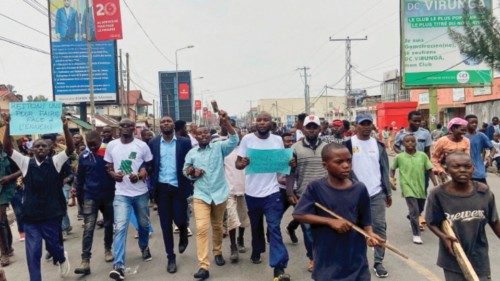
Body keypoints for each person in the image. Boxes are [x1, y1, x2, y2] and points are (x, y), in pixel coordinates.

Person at [293, 143, 383, 281]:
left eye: (348, 160)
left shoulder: (359, 188)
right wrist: (330, 221)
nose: (346, 165)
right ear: (325, 165)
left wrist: (369, 234)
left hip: (356, 261)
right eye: (339, 162)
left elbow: (365, 220)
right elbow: (298, 214)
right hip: (327, 262)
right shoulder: (315, 187)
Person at [3, 114, 73, 281]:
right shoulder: (25, 163)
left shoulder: (56, 162)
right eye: (37, 146)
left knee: (53, 247)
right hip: (31, 217)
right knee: (33, 253)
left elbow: (70, 149)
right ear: (32, 150)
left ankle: (62, 258)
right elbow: (8, 149)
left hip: (50, 215)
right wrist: (8, 126)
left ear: (49, 149)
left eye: (43, 146)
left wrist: (65, 127)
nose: (41, 148)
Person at [425, 152, 500, 281]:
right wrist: (443, 236)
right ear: (446, 169)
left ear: (473, 168)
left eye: (467, 166)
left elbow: (494, 221)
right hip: (453, 256)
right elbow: (431, 222)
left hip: (479, 257)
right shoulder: (438, 194)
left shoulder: (483, 192)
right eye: (456, 166)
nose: (462, 170)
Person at [184, 110, 238, 280]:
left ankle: (217, 251)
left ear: (210, 134)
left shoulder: (219, 147)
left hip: (220, 194)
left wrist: (226, 122)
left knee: (217, 226)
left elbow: (235, 140)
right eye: (200, 134)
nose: (204, 135)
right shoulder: (191, 153)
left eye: (206, 132)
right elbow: (185, 171)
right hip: (201, 196)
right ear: (195, 136)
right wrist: (192, 172)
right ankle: (203, 266)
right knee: (201, 228)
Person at [236, 112, 291, 281]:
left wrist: (289, 163)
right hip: (252, 192)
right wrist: (242, 163)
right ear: (255, 123)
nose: (261, 122)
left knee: (274, 227)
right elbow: (238, 164)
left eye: (265, 120)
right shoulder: (247, 140)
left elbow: (282, 164)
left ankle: (279, 267)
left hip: (272, 192)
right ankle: (256, 249)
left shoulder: (277, 140)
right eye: (259, 120)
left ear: (271, 123)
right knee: (256, 225)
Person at [344, 113, 392, 278]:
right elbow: (345, 169)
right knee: (357, 229)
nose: (366, 127)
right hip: (354, 195)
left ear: (372, 125)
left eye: (368, 124)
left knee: (379, 228)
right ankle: (359, 262)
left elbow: (384, 169)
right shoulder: (348, 144)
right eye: (362, 124)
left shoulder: (378, 145)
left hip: (376, 193)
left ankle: (378, 262)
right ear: (356, 126)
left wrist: (388, 191)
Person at [105, 118, 154, 281]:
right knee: (120, 227)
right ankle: (118, 266)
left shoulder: (142, 146)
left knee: (144, 224)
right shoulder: (112, 145)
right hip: (121, 194)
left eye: (128, 126)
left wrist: (141, 175)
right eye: (122, 126)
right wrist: (113, 175)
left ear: (134, 128)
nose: (125, 128)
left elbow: (149, 166)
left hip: (140, 192)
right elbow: (108, 166)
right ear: (118, 129)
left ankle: (144, 246)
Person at [148, 116, 193, 274]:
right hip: (161, 189)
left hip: (179, 187)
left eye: (168, 121)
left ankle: (183, 231)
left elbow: (191, 162)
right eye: (162, 122)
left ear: (173, 125)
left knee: (180, 218)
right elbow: (150, 165)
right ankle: (170, 257)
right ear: (159, 126)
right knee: (165, 224)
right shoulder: (153, 143)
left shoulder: (184, 142)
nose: (165, 124)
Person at [287, 115, 327, 272]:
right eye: (308, 127)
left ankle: (324, 256)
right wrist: (290, 192)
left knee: (325, 229)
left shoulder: (327, 147)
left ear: (320, 129)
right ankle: (313, 258)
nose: (311, 130)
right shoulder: (294, 148)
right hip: (304, 196)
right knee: (308, 230)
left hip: (326, 195)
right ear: (303, 129)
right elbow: (290, 171)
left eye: (314, 127)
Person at [74, 131, 115, 275]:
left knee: (109, 224)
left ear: (100, 140)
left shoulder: (108, 153)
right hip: (90, 197)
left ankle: (108, 249)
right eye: (89, 145)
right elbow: (80, 179)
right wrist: (80, 199)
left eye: (94, 145)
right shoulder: (82, 156)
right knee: (88, 228)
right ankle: (85, 260)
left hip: (108, 195)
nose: (92, 147)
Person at [390, 134, 437, 244]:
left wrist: (435, 183)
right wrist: (391, 178)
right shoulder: (399, 157)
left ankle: (411, 217)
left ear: (416, 143)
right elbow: (392, 169)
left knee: (419, 209)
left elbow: (429, 170)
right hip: (407, 187)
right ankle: (416, 235)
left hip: (420, 186)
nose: (410, 143)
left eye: (412, 141)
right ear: (403, 144)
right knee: (414, 211)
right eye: (407, 141)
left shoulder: (422, 156)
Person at [223, 128, 250, 263]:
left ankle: (241, 239)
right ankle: (233, 246)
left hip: (245, 190)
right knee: (232, 219)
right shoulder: (224, 151)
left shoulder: (246, 151)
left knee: (243, 218)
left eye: (238, 134)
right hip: (229, 191)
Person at [431, 118, 470, 183]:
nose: (464, 133)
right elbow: (434, 158)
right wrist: (440, 171)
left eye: (465, 131)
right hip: (446, 173)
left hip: (461, 173)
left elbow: (467, 158)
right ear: (453, 129)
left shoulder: (466, 141)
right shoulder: (442, 141)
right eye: (462, 130)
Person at [0, 142, 20, 266]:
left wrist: (9, 177)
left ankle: (4, 254)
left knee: (0, 220)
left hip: (5, 190)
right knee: (3, 221)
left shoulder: (8, 156)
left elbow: (22, 168)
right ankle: (8, 247)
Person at [464, 114, 496, 184]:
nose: (474, 124)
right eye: (472, 122)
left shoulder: (481, 135)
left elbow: (493, 148)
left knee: (484, 192)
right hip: (464, 169)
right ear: (466, 123)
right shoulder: (461, 136)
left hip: (478, 169)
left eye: (476, 123)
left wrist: (490, 157)